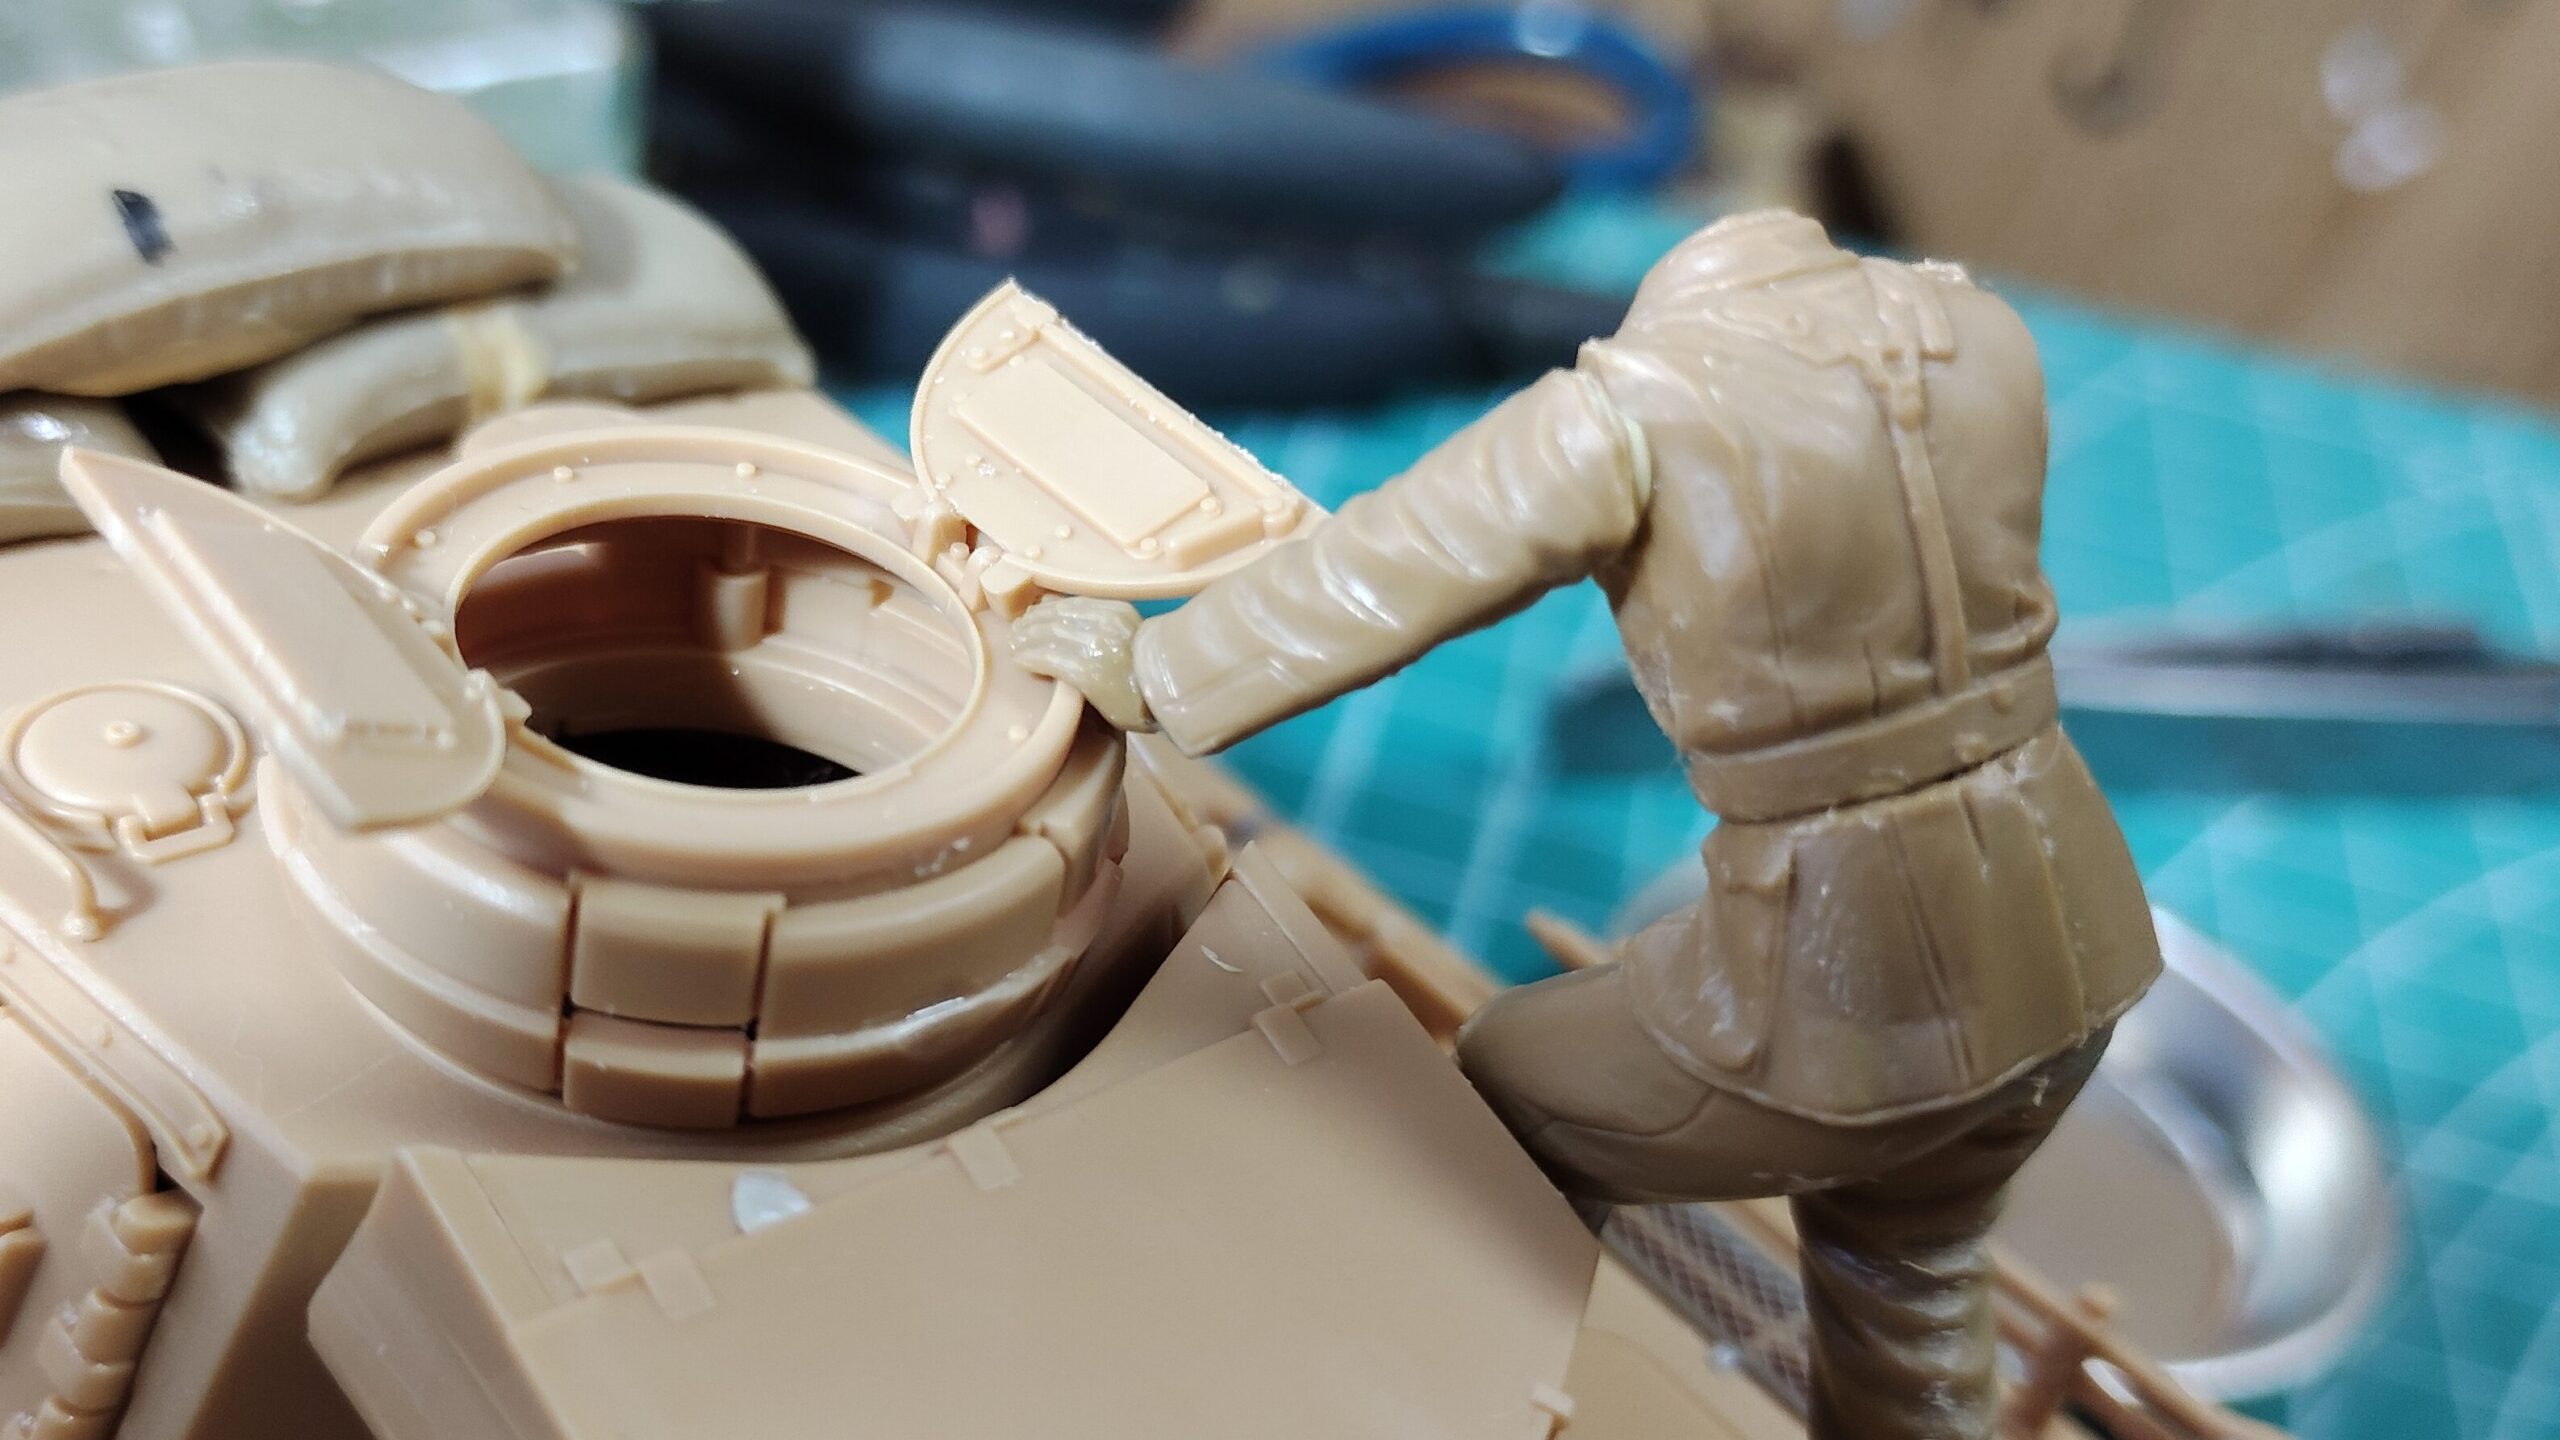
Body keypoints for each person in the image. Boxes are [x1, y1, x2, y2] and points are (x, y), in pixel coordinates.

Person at [1011, 209, 2162, 1440]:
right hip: (2076, 938)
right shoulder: (1974, 332)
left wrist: (1161, 668)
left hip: (1859, 967)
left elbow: (1395, 562)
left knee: (1506, 1097)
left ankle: (1443, 1405)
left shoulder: (1638, 401)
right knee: (1909, 1276)